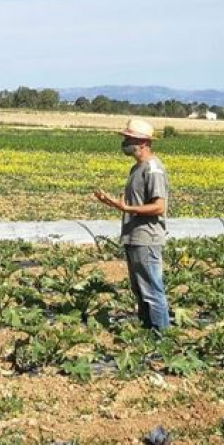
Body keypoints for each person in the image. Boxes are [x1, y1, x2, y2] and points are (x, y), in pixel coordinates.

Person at [93, 118, 171, 332]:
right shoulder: (136, 168)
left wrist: (126, 209)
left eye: (129, 138)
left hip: (147, 237)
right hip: (134, 236)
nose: (125, 142)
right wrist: (113, 203)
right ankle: (148, 332)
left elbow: (158, 207)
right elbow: (134, 205)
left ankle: (162, 337)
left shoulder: (153, 169)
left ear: (143, 142)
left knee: (152, 291)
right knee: (140, 290)